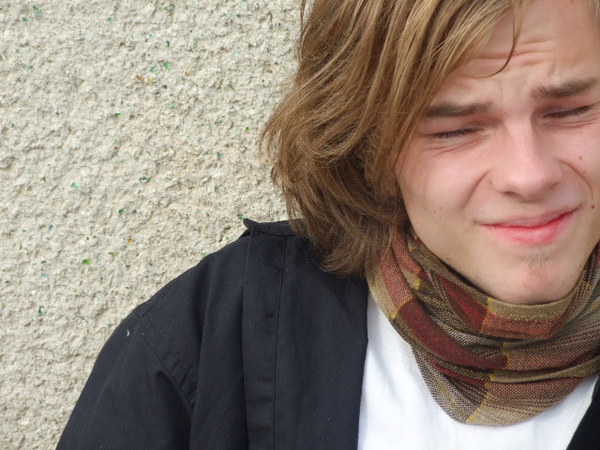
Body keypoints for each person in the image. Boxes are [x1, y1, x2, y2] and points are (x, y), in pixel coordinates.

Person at [58, 0, 600, 448]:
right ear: (367, 145)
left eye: (571, 110)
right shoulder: (212, 336)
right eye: (455, 130)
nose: (529, 175)